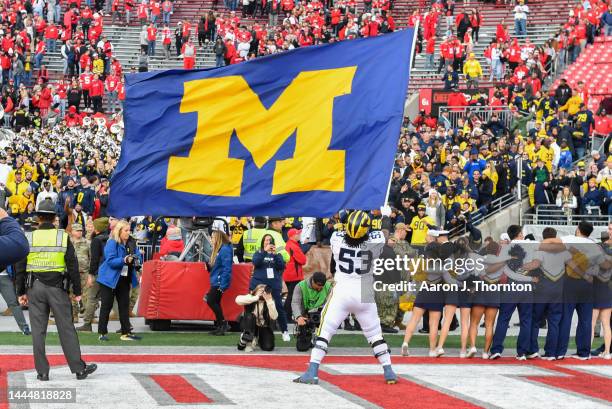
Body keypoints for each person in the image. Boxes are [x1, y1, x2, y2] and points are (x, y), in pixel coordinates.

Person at [294, 211, 397, 385]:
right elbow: (382, 232)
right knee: (374, 333)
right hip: (365, 289)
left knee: (324, 332)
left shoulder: (336, 238)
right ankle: (388, 370)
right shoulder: (376, 240)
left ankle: (312, 371)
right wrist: (385, 216)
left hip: (342, 289)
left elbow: (343, 232)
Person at [14, 200, 97, 381]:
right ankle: (78, 369)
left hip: (34, 288)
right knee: (66, 328)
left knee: (38, 331)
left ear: (38, 216)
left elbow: (19, 266)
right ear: (54, 218)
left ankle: (42, 372)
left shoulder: (28, 237)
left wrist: (20, 292)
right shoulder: (62, 236)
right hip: (57, 288)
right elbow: (72, 266)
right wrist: (77, 291)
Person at [96, 220, 142, 341]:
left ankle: (126, 332)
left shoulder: (132, 242)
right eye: (126, 230)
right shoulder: (112, 242)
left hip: (124, 278)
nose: (128, 232)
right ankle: (102, 333)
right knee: (106, 305)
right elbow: (110, 261)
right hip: (108, 279)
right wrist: (124, 260)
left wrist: (137, 260)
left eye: (129, 230)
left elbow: (137, 255)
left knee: (124, 306)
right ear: (119, 231)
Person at [250, 234, 290, 341]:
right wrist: (264, 251)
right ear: (263, 242)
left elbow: (281, 266)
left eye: (270, 240)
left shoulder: (277, 254)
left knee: (278, 307)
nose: (268, 242)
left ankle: (284, 331)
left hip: (274, 286)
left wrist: (276, 254)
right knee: (255, 308)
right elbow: (256, 262)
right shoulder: (258, 253)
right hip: (259, 286)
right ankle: (252, 332)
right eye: (266, 240)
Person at [77, 217, 112, 332]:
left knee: (92, 298)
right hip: (110, 272)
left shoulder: (96, 240)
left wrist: (91, 275)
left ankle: (87, 323)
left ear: (97, 228)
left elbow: (94, 259)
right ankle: (124, 324)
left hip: (99, 272)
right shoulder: (111, 238)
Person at [291, 271, 331, 351]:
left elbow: (332, 303)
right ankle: (307, 335)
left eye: (322, 286)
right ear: (312, 281)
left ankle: (320, 338)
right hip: (304, 316)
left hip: (320, 314)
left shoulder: (328, 287)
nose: (320, 288)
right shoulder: (300, 286)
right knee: (302, 348)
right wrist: (299, 317)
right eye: (318, 286)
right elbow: (295, 303)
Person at [206, 228, 234, 335]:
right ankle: (220, 325)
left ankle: (222, 324)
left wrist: (223, 284)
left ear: (218, 238)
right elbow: (220, 266)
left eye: (213, 237)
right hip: (217, 280)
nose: (211, 239)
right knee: (214, 301)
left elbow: (227, 268)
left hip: (219, 281)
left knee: (211, 301)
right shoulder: (221, 249)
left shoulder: (225, 249)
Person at [235, 284, 278, 352]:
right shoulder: (250, 297)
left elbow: (274, 317)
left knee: (268, 347)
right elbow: (237, 300)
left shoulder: (270, 301)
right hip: (249, 324)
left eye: (264, 291)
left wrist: (269, 301)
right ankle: (247, 340)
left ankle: (258, 339)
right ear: (255, 291)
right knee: (250, 316)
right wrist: (256, 297)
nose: (263, 292)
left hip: (263, 325)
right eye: (260, 290)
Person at [283, 228, 307, 320]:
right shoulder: (294, 246)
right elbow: (303, 260)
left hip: (289, 274)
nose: (299, 235)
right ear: (293, 236)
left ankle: (287, 316)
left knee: (291, 295)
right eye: (298, 234)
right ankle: (286, 316)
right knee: (292, 296)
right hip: (294, 275)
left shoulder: (289, 244)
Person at [70, 223, 90, 324]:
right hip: (72, 274)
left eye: (81, 230)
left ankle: (88, 317)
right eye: (77, 230)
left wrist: (91, 273)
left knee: (87, 295)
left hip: (84, 272)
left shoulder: (87, 243)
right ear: (72, 231)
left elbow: (91, 258)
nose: (79, 232)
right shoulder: (68, 242)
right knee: (72, 295)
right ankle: (74, 315)